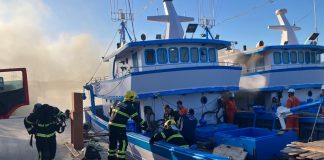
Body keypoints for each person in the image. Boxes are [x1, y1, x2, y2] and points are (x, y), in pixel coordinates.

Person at [108, 90, 148, 160]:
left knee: (113, 142)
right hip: (119, 127)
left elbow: (110, 112)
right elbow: (136, 118)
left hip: (111, 126)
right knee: (123, 143)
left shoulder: (117, 102)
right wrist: (145, 124)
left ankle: (110, 157)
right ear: (131, 98)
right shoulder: (129, 106)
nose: (135, 99)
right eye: (134, 98)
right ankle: (121, 158)